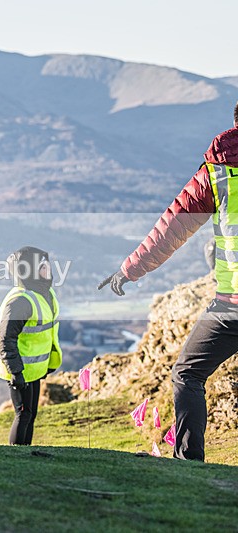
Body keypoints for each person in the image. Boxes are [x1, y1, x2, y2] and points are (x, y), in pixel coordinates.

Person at [98, 104, 238, 461]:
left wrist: (129, 269)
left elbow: (172, 227)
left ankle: (190, 463)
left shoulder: (218, 170)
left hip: (231, 307)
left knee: (188, 374)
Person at [0, 246, 62, 445]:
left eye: (47, 264)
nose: (48, 268)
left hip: (34, 369)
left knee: (31, 414)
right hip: (19, 369)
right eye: (42, 265)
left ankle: (26, 455)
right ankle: (15, 456)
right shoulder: (21, 301)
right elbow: (5, 339)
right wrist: (16, 372)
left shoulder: (44, 294)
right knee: (23, 414)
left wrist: (47, 364)